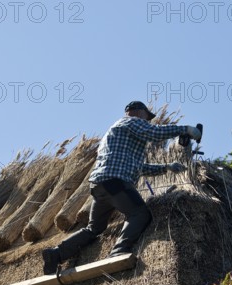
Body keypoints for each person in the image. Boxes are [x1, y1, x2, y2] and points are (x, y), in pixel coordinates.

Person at [42, 101, 202, 275]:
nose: (147, 121)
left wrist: (167, 167)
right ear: (138, 112)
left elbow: (139, 167)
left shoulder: (117, 134)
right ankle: (119, 250)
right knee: (140, 214)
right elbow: (154, 133)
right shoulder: (130, 122)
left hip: (100, 186)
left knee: (94, 228)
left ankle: (56, 254)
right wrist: (185, 129)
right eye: (147, 117)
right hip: (116, 182)